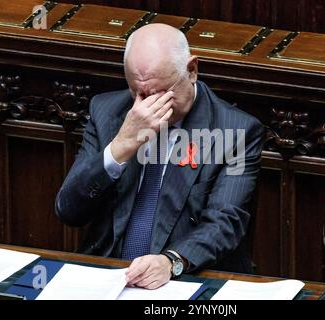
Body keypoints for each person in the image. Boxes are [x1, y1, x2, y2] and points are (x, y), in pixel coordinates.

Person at [55, 23, 264, 290]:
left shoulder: (237, 132)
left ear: (192, 70)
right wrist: (121, 146)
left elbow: (225, 222)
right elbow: (69, 210)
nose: (147, 105)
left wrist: (171, 261)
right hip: (110, 275)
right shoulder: (107, 112)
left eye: (161, 93)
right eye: (138, 93)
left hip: (186, 278)